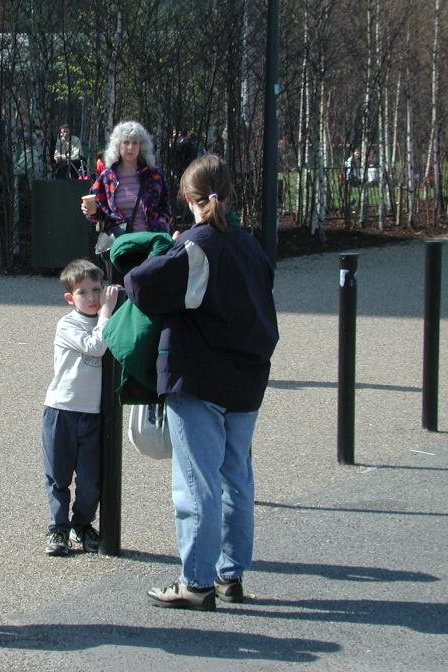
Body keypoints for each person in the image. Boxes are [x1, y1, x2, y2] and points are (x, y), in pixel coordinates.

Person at [123, 154, 278, 611]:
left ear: (188, 199)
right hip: (246, 378)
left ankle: (196, 581)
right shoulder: (250, 247)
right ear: (227, 194)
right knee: (237, 479)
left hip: (199, 377)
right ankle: (231, 575)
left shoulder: (195, 245)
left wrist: (171, 246)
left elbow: (140, 284)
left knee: (196, 483)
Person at [41, 259, 119, 556]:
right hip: (62, 410)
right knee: (58, 476)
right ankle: (57, 529)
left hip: (93, 414)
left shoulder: (108, 319)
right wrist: (107, 313)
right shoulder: (67, 324)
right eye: (83, 292)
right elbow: (95, 346)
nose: (92, 298)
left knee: (90, 481)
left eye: (97, 290)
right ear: (69, 298)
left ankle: (81, 525)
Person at [81, 120, 173, 279]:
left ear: (141, 146)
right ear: (118, 145)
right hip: (120, 246)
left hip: (150, 245)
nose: (130, 147)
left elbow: (166, 207)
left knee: (150, 294)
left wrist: (162, 225)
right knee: (120, 294)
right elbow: (98, 212)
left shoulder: (154, 175)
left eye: (135, 143)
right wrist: (90, 211)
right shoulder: (107, 177)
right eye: (126, 142)